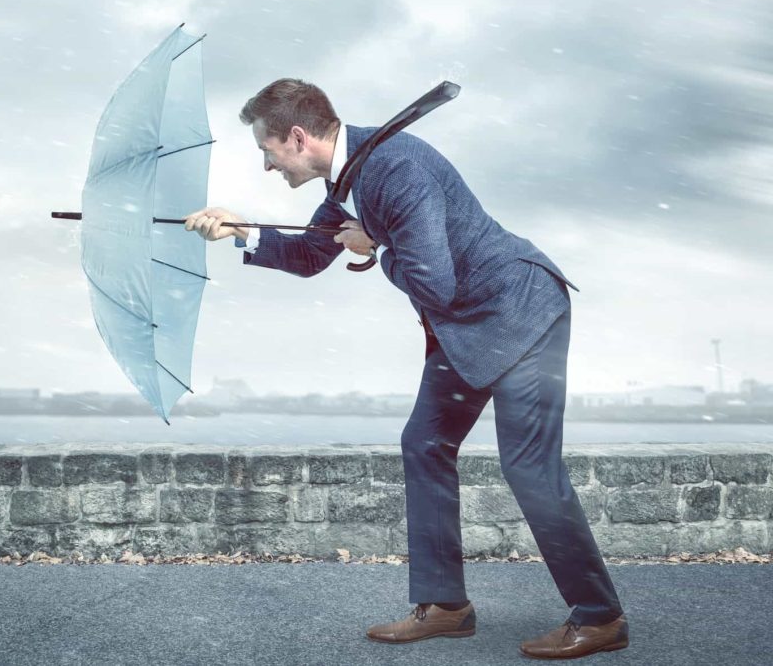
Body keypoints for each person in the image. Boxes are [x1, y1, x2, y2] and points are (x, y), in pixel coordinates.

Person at [183, 78, 628, 660]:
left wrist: (376, 250)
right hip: (464, 327)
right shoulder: (347, 181)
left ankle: (600, 618)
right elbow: (312, 254)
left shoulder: (396, 169)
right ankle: (445, 606)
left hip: (521, 314)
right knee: (424, 444)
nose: (267, 166)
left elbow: (434, 284)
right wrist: (242, 232)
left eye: (265, 151)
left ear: (296, 137)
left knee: (528, 469)